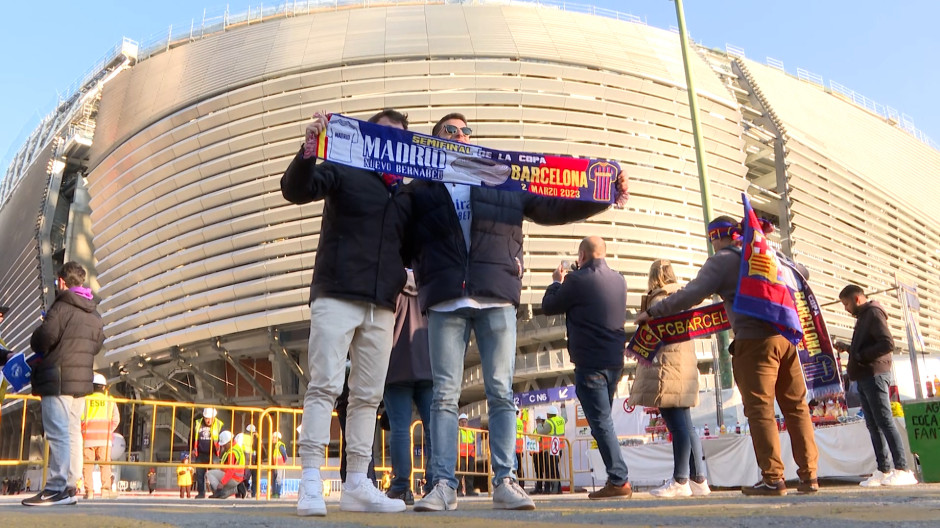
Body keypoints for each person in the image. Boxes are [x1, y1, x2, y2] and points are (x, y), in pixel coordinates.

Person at [401, 113, 628, 513]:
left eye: (465, 130)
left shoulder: (501, 177)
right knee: (444, 398)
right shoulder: (420, 188)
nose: (460, 135)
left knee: (502, 393)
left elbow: (551, 206)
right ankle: (442, 484)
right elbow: (399, 236)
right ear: (434, 140)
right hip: (446, 300)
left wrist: (601, 194)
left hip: (496, 297)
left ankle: (505, 480)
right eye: (450, 131)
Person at [282, 108, 410, 517]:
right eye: (383, 133)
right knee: (325, 386)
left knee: (369, 396)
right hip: (337, 292)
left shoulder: (405, 192)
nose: (391, 142)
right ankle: (310, 482)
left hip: (382, 304)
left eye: (399, 136)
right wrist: (308, 151)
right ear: (369, 135)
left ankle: (357, 481)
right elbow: (295, 190)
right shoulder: (343, 167)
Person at [635, 216, 819, 496]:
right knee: (796, 408)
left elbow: (690, 295)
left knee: (761, 412)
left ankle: (773, 479)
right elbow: (802, 272)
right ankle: (809, 477)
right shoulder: (764, 251)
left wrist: (654, 312)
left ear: (717, 237)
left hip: (754, 342)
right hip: (787, 338)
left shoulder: (723, 260)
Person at [541, 236, 631, 499]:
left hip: (590, 362)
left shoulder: (577, 281)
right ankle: (617, 477)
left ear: (581, 256)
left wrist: (557, 281)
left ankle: (619, 479)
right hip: (615, 360)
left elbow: (549, 306)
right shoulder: (619, 279)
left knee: (601, 423)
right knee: (604, 422)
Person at [22, 262, 105, 507]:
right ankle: (70, 486)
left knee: (57, 432)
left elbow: (44, 338)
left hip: (57, 378)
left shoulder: (62, 306)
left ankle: (55, 488)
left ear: (61, 281)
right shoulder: (94, 313)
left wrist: (39, 337)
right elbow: (97, 345)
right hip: (80, 381)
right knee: (71, 433)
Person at [630, 259, 710, 498]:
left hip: (666, 368)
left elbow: (654, 338)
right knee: (686, 424)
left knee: (677, 425)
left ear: (653, 276)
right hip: (684, 368)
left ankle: (680, 480)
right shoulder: (684, 297)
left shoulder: (658, 300)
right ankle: (699, 479)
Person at [837, 285, 917, 487]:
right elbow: (867, 345)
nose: (846, 309)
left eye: (846, 304)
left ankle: (902, 468)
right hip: (865, 376)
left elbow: (886, 343)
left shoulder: (873, 313)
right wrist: (849, 348)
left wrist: (860, 356)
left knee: (884, 421)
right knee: (873, 424)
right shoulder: (864, 317)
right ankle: (884, 469)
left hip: (875, 375)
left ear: (856, 299)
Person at [383, 269, 434, 505]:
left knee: (401, 430)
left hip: (396, 366)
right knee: (434, 428)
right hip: (429, 364)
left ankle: (402, 487)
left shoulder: (391, 283)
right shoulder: (428, 281)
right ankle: (435, 484)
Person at [81, 373, 120, 499]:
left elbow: (79, 418)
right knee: (105, 465)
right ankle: (105, 490)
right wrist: (108, 430)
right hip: (104, 439)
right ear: (104, 387)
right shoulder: (110, 400)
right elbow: (116, 419)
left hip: (88, 438)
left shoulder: (85, 400)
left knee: (87, 466)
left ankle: (89, 492)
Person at [191, 407, 224, 499]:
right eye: (206, 418)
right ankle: (201, 493)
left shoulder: (219, 424)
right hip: (200, 453)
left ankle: (216, 492)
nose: (208, 420)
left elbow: (222, 439)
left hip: (214, 454)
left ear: (214, 417)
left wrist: (221, 452)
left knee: (214, 474)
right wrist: (192, 449)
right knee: (200, 474)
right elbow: (192, 437)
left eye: (210, 418)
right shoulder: (197, 423)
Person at [207, 431, 245, 499]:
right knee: (222, 496)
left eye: (224, 444)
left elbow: (231, 469)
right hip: (238, 478)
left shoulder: (232, 452)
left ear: (229, 442)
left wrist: (222, 483)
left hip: (233, 477)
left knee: (209, 473)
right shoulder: (237, 448)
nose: (223, 446)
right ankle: (237, 489)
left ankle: (218, 492)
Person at [542, 406, 566, 494]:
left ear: (548, 415)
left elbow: (541, 432)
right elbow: (565, 417)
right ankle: (557, 488)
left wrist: (539, 424)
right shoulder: (561, 420)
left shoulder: (549, 422)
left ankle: (556, 488)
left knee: (552, 469)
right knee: (554, 468)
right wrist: (563, 408)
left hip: (550, 449)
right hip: (559, 449)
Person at [456, 414, 478, 497]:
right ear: (459, 422)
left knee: (470, 475)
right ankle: (459, 491)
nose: (464, 423)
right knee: (459, 474)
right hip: (460, 455)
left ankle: (469, 491)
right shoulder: (458, 431)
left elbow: (474, 443)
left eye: (465, 422)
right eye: (462, 422)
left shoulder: (471, 431)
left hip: (470, 455)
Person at [531, 414, 546, 494]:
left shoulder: (542, 429)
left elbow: (539, 440)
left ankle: (541, 487)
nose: (537, 422)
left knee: (541, 470)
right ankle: (539, 486)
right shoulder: (537, 429)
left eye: (538, 420)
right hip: (536, 453)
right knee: (538, 471)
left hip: (540, 453)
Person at [270, 431, 288, 498]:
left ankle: (277, 493)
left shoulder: (280, 445)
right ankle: (274, 493)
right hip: (274, 465)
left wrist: (284, 461)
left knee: (278, 479)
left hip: (279, 465)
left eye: (274, 438)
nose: (272, 439)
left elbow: (284, 454)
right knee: (274, 480)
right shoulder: (274, 445)